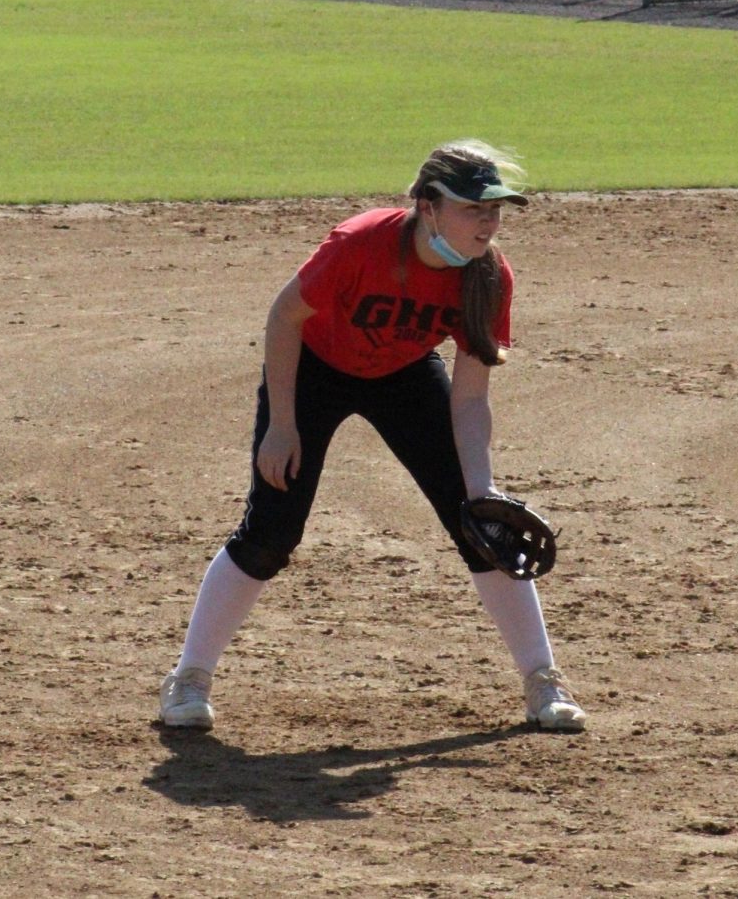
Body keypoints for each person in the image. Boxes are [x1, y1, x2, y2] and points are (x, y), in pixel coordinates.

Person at [159, 139, 587, 734]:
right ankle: (189, 680)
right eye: (474, 208)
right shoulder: (360, 245)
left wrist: (480, 489)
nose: (488, 222)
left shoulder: (487, 276)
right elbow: (285, 317)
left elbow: (469, 397)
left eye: (496, 209)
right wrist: (282, 424)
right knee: (272, 529)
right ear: (430, 206)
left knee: (480, 526)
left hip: (404, 375)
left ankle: (544, 682)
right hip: (313, 371)